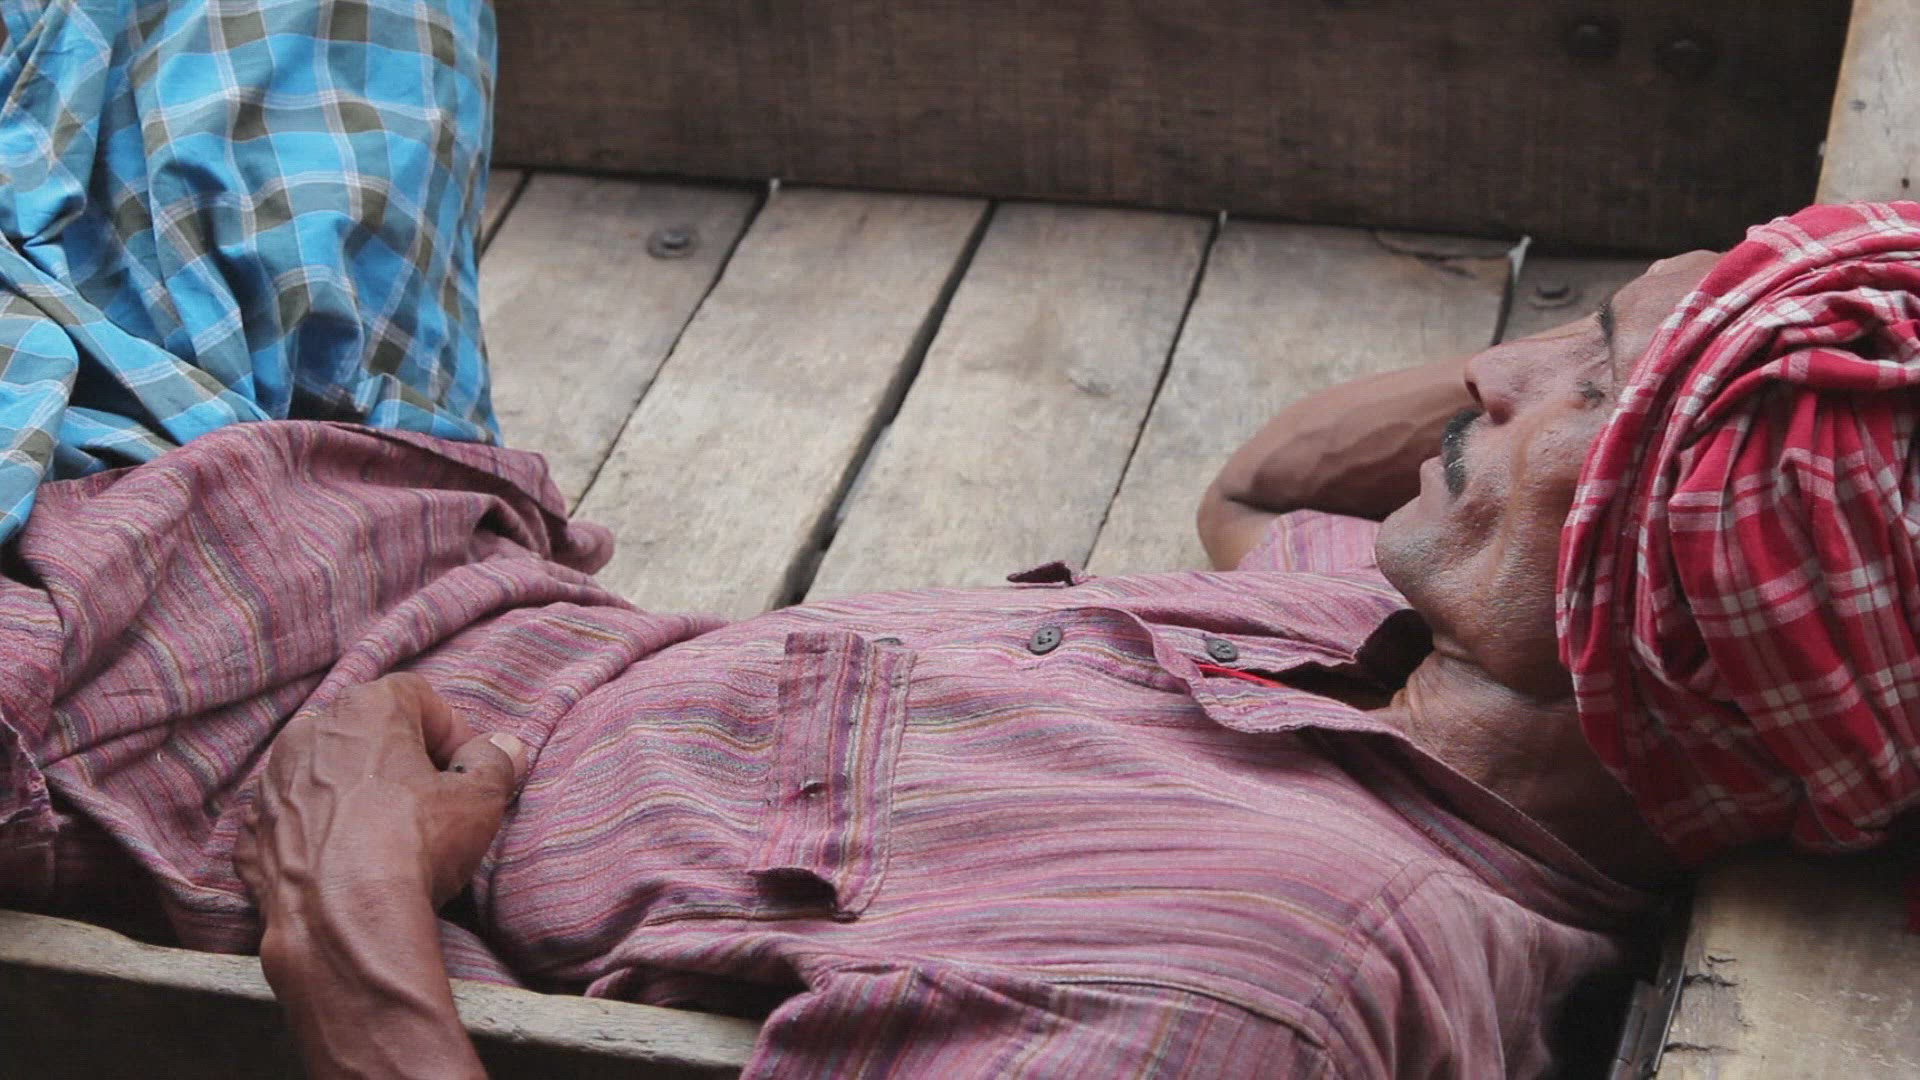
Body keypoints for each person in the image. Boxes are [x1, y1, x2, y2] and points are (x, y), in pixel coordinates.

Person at [5, 5, 1920, 1080]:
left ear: (1660, 620)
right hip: (372, 494)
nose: (1492, 372)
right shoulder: (1409, 651)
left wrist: (348, 935)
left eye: (1589, 384)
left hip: (118, 687)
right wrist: (1708, 319)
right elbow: (1265, 488)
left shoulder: (1242, 977)